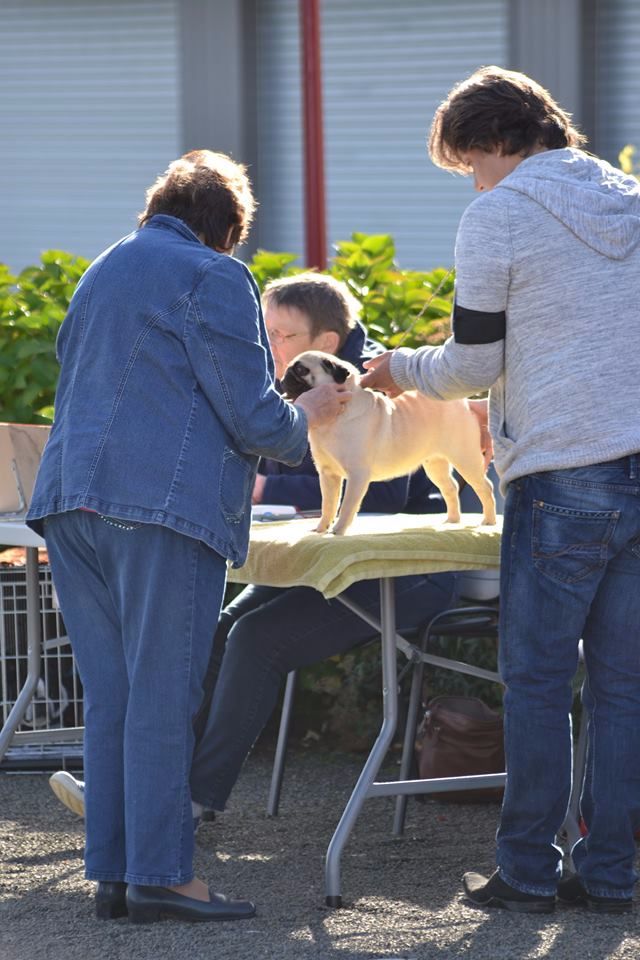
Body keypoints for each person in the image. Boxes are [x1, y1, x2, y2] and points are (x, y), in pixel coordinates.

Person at [27, 150, 349, 924]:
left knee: (114, 697)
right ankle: (165, 877)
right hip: (161, 509)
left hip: (70, 503)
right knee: (163, 696)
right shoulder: (214, 275)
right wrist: (314, 417)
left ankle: (115, 873)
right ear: (227, 231)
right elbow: (252, 415)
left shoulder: (103, 266)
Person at [49, 272, 491, 828]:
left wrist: (263, 487)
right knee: (213, 624)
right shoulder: (296, 385)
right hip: (325, 560)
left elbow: (381, 488)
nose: (266, 344)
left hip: (408, 571)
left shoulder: (375, 382)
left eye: (280, 335)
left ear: (325, 344)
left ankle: (190, 801)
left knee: (255, 638)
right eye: (266, 331)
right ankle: (140, 788)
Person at [360, 65, 640, 915]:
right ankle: (613, 874)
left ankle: (525, 872)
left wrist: (399, 368)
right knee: (625, 687)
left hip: (562, 471)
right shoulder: (631, 199)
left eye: (467, 163)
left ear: (493, 143)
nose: (469, 181)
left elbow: (474, 365)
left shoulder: (499, 214)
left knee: (540, 680)